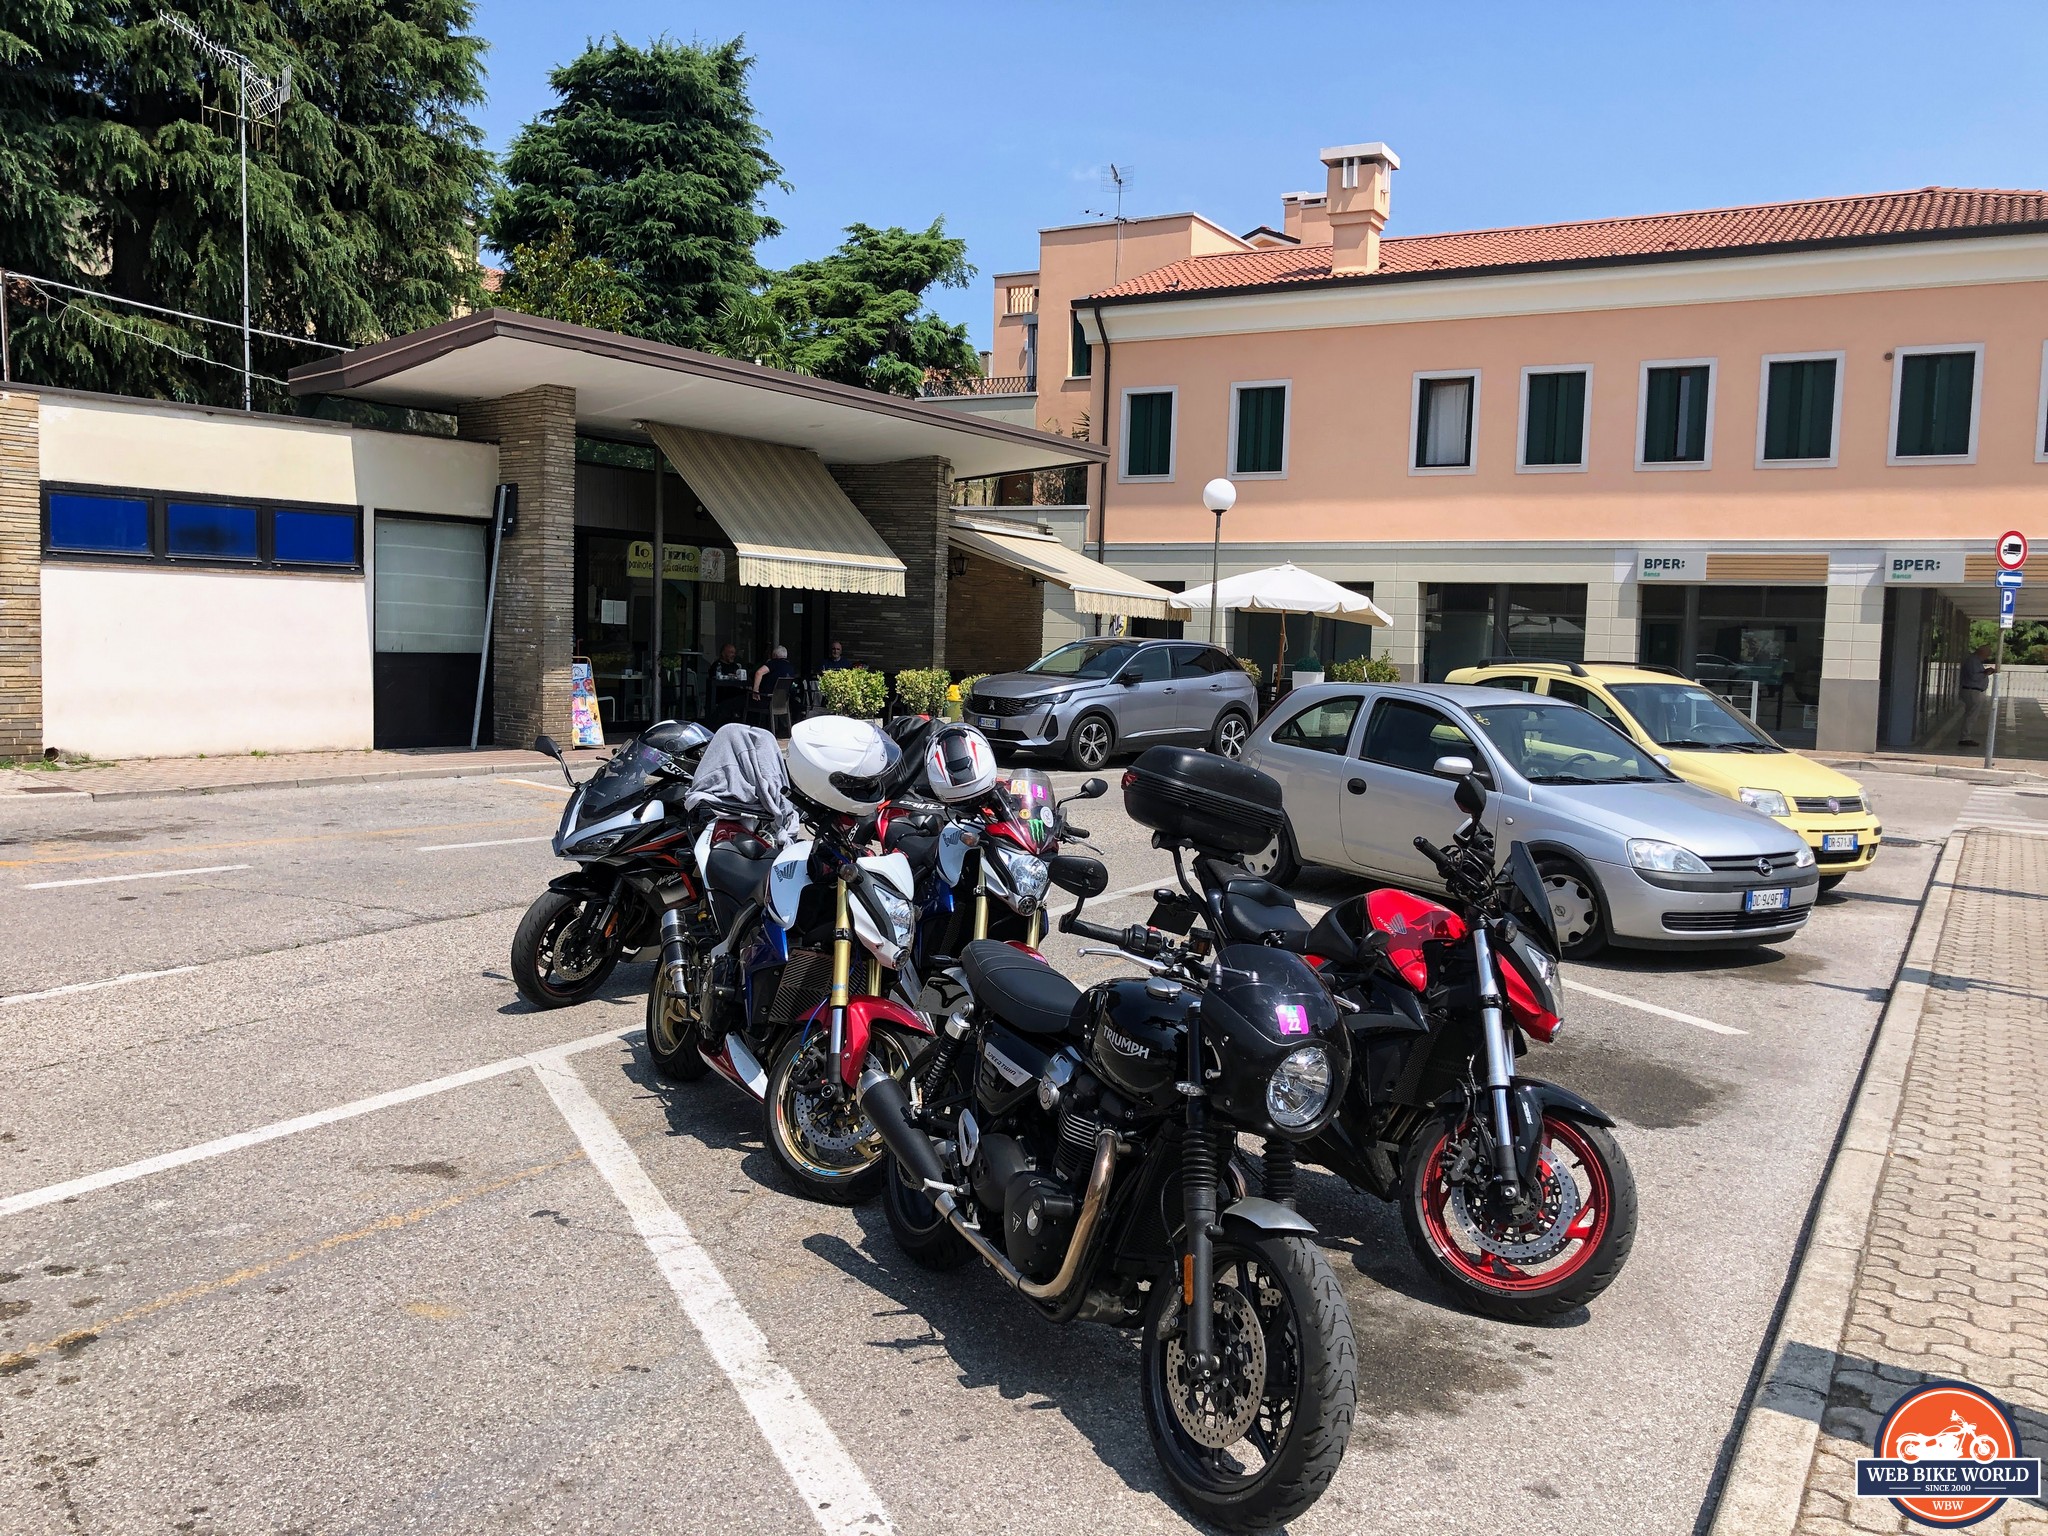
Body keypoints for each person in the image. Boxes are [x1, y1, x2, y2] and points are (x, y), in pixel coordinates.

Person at [1957, 642, 1998, 748]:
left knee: (1970, 715)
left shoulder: (1975, 661)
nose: (1988, 656)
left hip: (1974, 691)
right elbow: (1974, 677)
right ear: (1982, 653)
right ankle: (1965, 737)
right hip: (1972, 691)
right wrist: (1986, 673)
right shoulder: (1973, 661)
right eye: (1987, 654)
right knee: (1971, 715)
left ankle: (1965, 736)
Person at [708, 642, 748, 725]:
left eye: (734, 653)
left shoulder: (735, 666)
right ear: (723, 653)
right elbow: (713, 679)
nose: (733, 655)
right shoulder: (716, 666)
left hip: (734, 695)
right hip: (721, 695)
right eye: (731, 652)